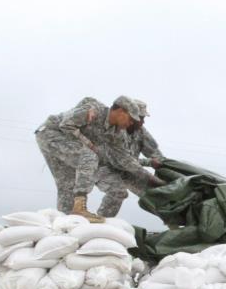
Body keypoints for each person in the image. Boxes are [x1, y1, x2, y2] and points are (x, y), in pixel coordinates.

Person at [35, 95, 163, 222]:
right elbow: (65, 124)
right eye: (131, 119)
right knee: (88, 156)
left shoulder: (116, 134)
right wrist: (89, 144)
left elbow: (125, 159)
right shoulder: (95, 111)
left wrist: (150, 178)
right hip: (50, 133)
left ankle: (68, 222)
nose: (131, 123)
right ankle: (79, 208)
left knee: (68, 185)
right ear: (120, 111)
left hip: (64, 144)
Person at [95, 99, 167, 217]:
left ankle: (171, 219)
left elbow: (155, 153)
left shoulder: (141, 132)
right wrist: (148, 164)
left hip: (130, 170)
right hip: (105, 167)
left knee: (155, 193)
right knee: (118, 192)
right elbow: (119, 160)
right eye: (141, 118)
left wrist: (165, 167)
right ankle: (101, 221)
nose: (142, 122)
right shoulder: (114, 131)